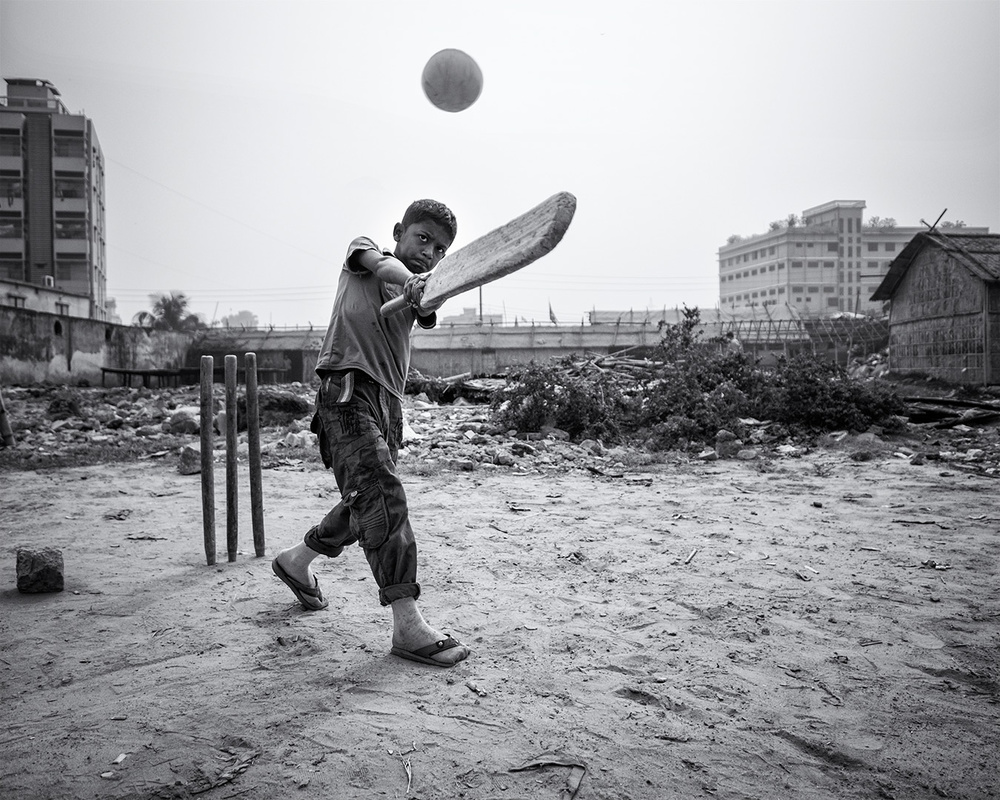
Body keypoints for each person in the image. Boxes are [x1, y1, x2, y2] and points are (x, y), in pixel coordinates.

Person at [271, 199, 471, 668]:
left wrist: (431, 289)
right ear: (399, 231)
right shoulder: (367, 256)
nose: (429, 252)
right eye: (422, 239)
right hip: (347, 392)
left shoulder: (423, 289)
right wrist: (412, 279)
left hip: (388, 404)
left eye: (440, 249)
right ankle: (407, 623)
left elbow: (427, 307)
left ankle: (296, 561)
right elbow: (384, 265)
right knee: (382, 498)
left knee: (364, 500)